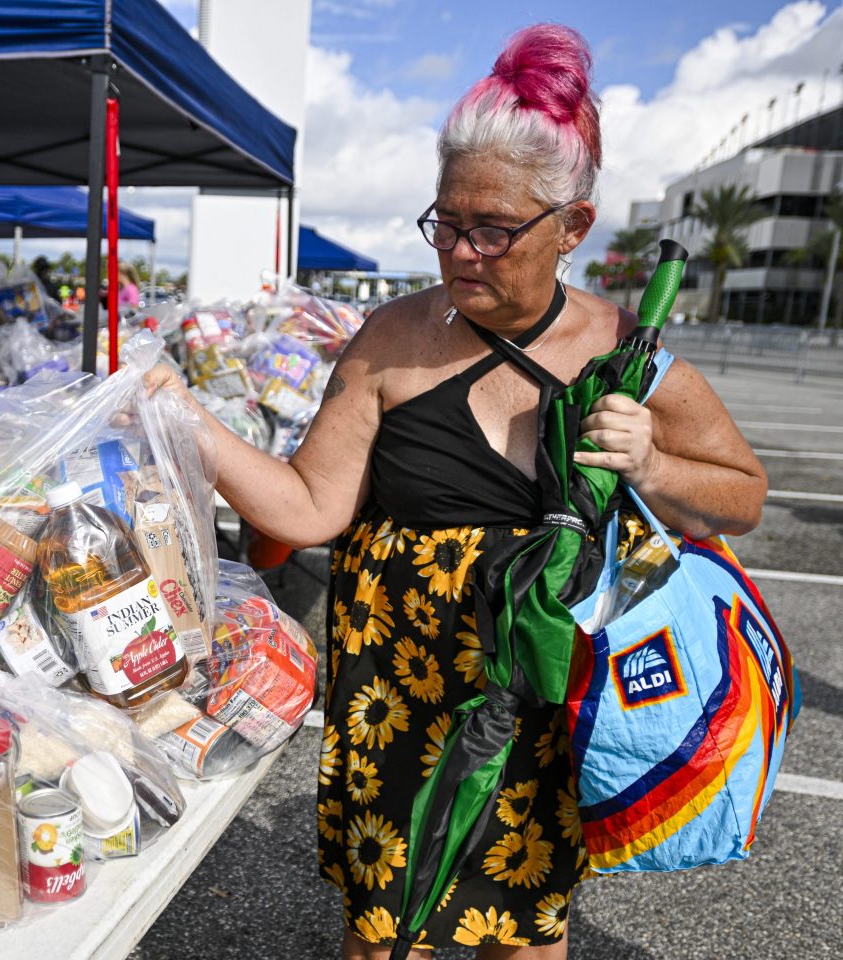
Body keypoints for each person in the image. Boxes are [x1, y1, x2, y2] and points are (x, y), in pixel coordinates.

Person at [146, 24, 765, 959]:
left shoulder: (625, 350)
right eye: (447, 225)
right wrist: (184, 419)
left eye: (494, 231)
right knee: (386, 930)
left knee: (524, 933)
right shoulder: (390, 339)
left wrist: (652, 465)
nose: (463, 254)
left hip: (540, 691)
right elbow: (311, 508)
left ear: (573, 226)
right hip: (396, 689)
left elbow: (743, 497)